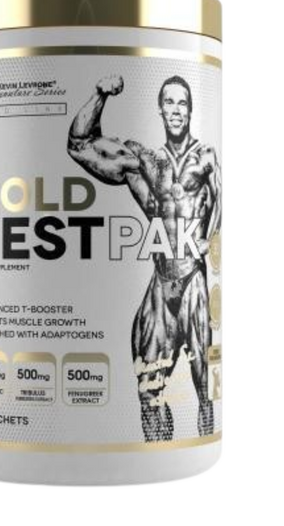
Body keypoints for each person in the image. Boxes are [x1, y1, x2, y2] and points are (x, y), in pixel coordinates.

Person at [68, 75, 221, 441]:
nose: (176, 110)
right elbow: (79, 145)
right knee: (148, 391)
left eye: (182, 103)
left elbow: (220, 202)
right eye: (169, 102)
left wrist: (210, 239)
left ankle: (200, 444)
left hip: (194, 280)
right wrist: (100, 94)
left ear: (191, 110)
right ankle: (159, 453)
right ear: (159, 110)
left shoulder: (206, 157)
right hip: (161, 283)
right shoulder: (146, 163)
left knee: (206, 393)